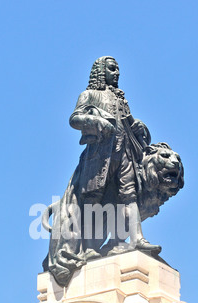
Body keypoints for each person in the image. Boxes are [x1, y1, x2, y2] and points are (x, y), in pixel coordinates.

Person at [44, 56, 161, 287]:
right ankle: (88, 249)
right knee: (92, 199)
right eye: (112, 68)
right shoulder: (89, 95)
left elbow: (129, 122)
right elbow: (75, 118)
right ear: (100, 71)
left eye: (118, 69)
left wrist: (139, 126)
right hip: (99, 155)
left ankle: (137, 239)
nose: (117, 72)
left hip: (124, 152)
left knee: (130, 195)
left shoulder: (121, 99)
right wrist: (97, 121)